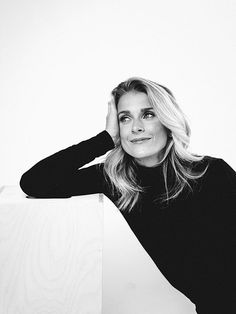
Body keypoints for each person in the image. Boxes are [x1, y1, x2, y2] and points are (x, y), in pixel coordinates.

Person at [20, 77, 236, 313]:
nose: (136, 127)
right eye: (125, 118)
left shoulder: (211, 173)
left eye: (148, 114)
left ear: (167, 120)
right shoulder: (116, 179)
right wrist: (104, 139)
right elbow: (34, 182)